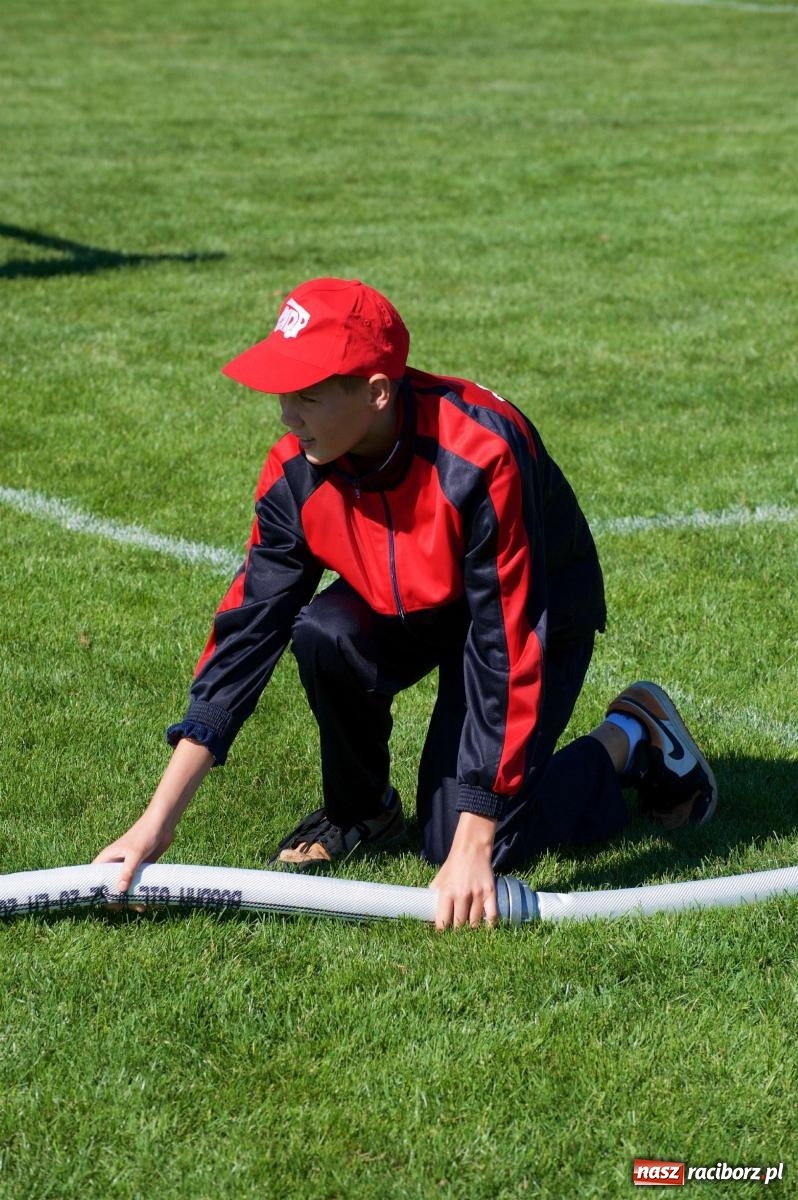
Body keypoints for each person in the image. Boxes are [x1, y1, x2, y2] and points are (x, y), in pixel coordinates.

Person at [94, 277, 717, 929]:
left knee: (466, 840)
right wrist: (154, 825)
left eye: (306, 394)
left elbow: (506, 648)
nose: (286, 414)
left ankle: (632, 738)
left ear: (377, 391)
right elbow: (246, 640)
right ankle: (362, 810)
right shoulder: (294, 473)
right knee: (322, 630)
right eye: (283, 390)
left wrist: (474, 840)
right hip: (421, 603)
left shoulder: (481, 454)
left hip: (536, 616)